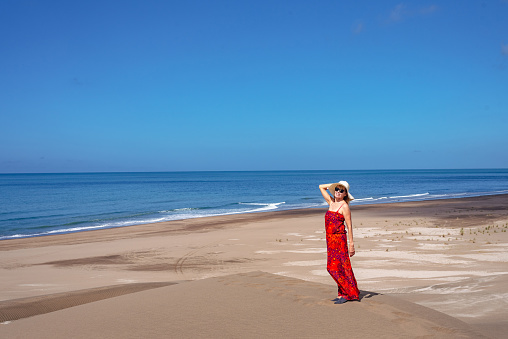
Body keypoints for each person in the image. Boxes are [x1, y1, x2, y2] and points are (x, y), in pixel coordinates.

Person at [318, 181, 360, 304]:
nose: (338, 192)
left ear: (345, 194)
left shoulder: (344, 206)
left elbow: (349, 226)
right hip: (330, 240)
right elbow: (321, 187)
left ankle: (348, 293)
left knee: (337, 267)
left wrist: (351, 244)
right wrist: (335, 184)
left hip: (339, 240)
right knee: (335, 267)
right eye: (337, 189)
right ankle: (341, 293)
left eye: (342, 190)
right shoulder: (331, 202)